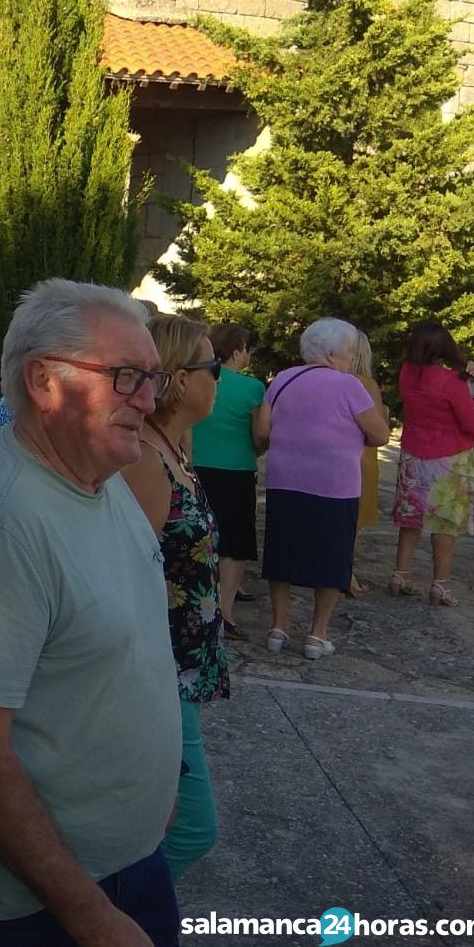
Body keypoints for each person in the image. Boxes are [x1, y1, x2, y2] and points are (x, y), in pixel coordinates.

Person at [0, 279, 181, 947]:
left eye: (152, 378)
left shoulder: (103, 477)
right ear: (44, 383)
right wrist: (94, 925)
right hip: (31, 910)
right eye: (126, 378)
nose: (150, 400)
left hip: (119, 869)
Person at [121, 314, 228, 883]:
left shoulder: (171, 447)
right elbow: (130, 578)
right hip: (158, 672)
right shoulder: (145, 460)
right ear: (182, 380)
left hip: (178, 669)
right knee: (190, 829)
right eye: (214, 368)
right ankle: (103, 930)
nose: (222, 380)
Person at [255, 318, 390, 660]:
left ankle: (278, 627)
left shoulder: (282, 380)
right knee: (332, 558)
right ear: (331, 354)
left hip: (285, 479)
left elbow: (262, 430)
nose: (351, 357)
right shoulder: (349, 386)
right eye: (348, 351)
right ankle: (317, 635)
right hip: (335, 484)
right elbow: (380, 435)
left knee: (282, 551)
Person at [389, 321, 474, 606]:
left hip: (414, 453)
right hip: (449, 458)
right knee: (444, 524)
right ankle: (440, 584)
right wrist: (466, 383)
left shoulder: (406, 373)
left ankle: (400, 574)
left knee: (410, 517)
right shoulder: (450, 382)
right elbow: (472, 424)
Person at [192, 322, 266, 637]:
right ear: (237, 351)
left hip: (195, 465)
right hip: (235, 470)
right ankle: (224, 611)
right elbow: (261, 434)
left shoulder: (200, 377)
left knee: (199, 538)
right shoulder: (252, 388)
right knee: (233, 544)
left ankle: (196, 606)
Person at [349, 330, 388, 597]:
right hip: (360, 456)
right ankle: (345, 573)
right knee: (352, 524)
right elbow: (378, 429)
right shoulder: (365, 383)